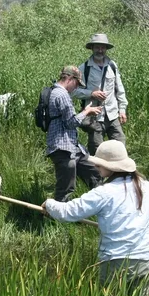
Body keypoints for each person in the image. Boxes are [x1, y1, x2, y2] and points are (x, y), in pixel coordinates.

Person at [42, 140, 149, 296]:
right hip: (145, 259)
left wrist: (49, 204)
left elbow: (68, 212)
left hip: (115, 262)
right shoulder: (147, 186)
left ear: (109, 167)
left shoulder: (104, 192)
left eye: (99, 164)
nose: (96, 167)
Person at [46, 65, 103, 202]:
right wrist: (86, 112)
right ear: (70, 79)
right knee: (66, 188)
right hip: (63, 148)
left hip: (71, 147)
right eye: (76, 84)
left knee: (94, 174)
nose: (76, 88)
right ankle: (58, 218)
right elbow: (71, 123)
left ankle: (100, 205)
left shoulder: (53, 91)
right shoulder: (62, 95)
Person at [74, 33, 129, 155]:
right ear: (92, 48)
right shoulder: (84, 68)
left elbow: (119, 88)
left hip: (112, 114)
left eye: (103, 48)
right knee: (96, 150)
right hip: (95, 117)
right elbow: (73, 92)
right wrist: (91, 93)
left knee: (120, 146)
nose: (100, 50)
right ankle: (97, 174)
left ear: (106, 49)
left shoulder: (112, 65)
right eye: (97, 47)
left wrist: (122, 110)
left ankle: (119, 172)